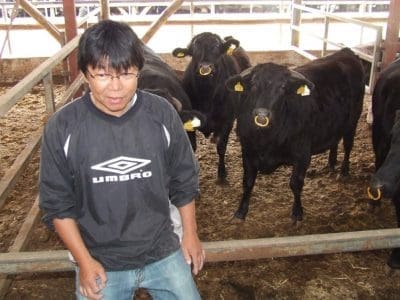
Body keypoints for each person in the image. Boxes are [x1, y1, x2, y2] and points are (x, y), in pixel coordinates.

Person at [39, 19, 204, 300]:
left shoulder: (161, 113)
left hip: (163, 250)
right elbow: (57, 203)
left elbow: (183, 178)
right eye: (102, 75)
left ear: (140, 71)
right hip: (99, 259)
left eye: (126, 74)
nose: (115, 88)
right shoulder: (63, 127)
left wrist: (190, 234)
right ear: (85, 74)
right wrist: (84, 261)